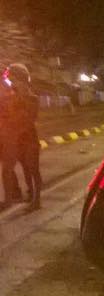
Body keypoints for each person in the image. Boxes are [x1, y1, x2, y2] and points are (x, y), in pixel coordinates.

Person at [0, 64, 41, 210]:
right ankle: (8, 200)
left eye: (14, 79)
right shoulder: (10, 97)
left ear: (22, 80)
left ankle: (36, 200)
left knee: (32, 170)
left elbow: (29, 119)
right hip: (13, 140)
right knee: (7, 169)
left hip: (28, 140)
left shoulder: (32, 98)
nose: (11, 82)